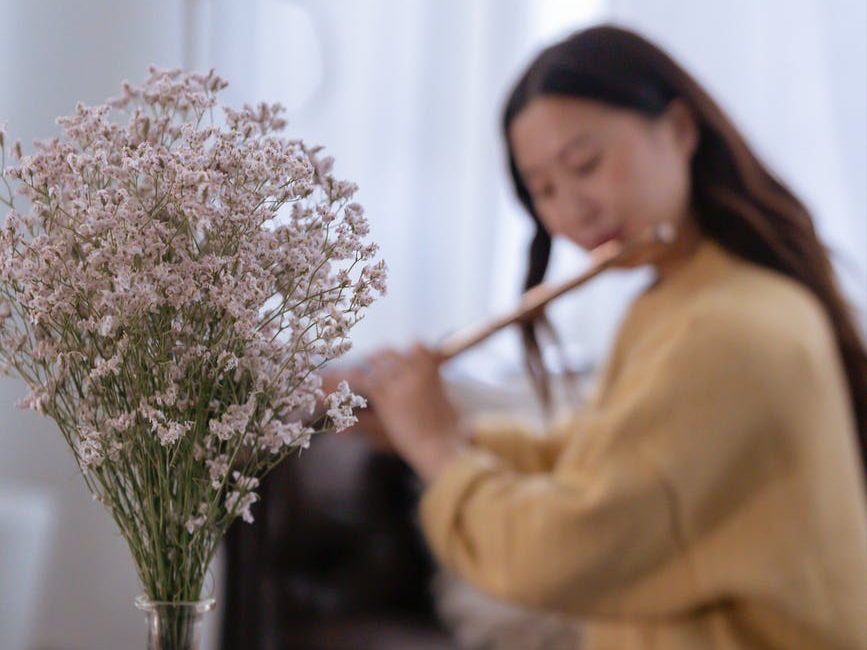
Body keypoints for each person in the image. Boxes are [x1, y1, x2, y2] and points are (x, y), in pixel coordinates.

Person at [328, 24, 867, 650]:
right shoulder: (683, 301)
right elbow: (602, 457)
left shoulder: (729, 330)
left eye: (586, 164)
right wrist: (428, 427)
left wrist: (436, 446)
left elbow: (562, 551)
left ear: (680, 130)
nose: (570, 210)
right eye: (544, 190)